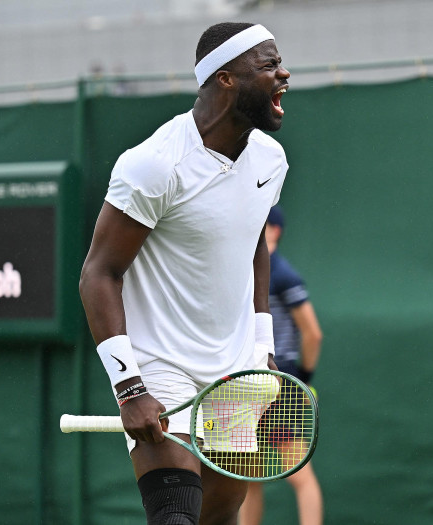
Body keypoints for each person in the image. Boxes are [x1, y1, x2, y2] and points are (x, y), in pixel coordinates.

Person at [78, 22, 290, 525]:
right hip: (159, 368)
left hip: (234, 371)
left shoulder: (271, 159)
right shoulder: (154, 165)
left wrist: (263, 347)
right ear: (226, 79)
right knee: (176, 517)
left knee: (218, 517)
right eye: (267, 65)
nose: (283, 73)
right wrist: (130, 389)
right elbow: (99, 274)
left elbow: (252, 238)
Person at [239, 206, 324, 525]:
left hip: (278, 383)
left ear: (274, 230)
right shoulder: (244, 272)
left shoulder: (283, 274)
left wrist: (303, 378)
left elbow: (313, 333)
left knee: (299, 475)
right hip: (249, 382)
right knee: (248, 477)